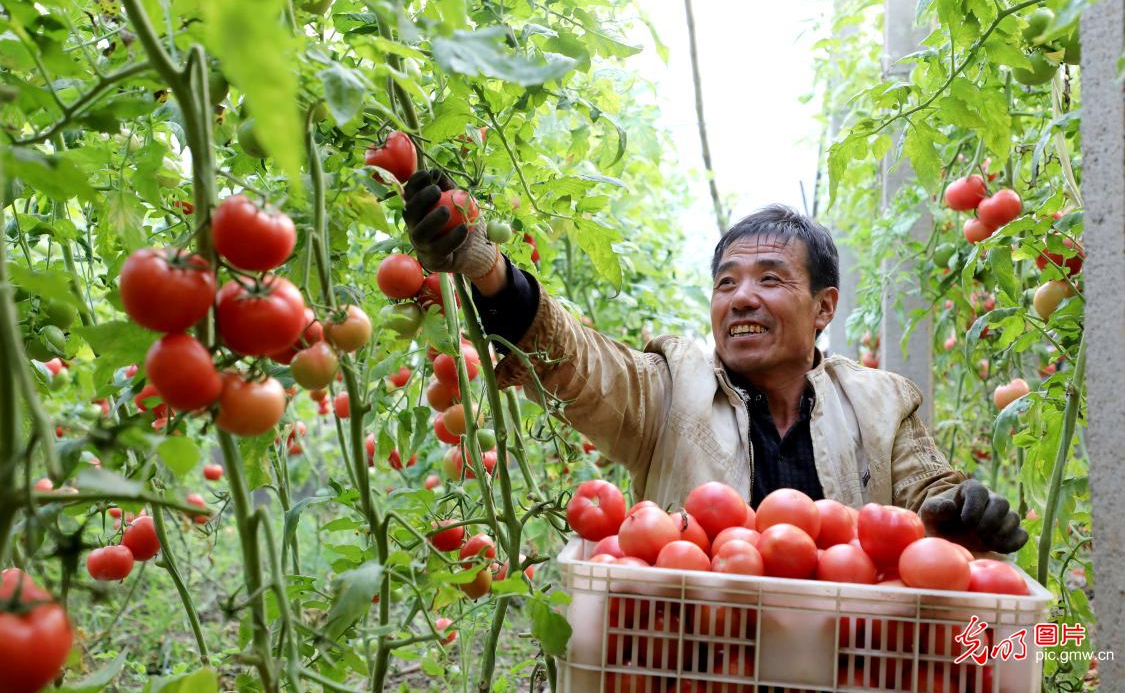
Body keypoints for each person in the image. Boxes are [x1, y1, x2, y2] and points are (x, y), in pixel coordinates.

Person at [402, 170, 1028, 554]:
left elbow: (928, 493)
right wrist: (488, 269)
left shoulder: (884, 401)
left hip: (850, 663)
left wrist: (964, 508)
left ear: (823, 307)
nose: (742, 297)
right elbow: (578, 365)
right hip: (695, 658)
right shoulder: (670, 388)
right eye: (726, 283)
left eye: (771, 279)